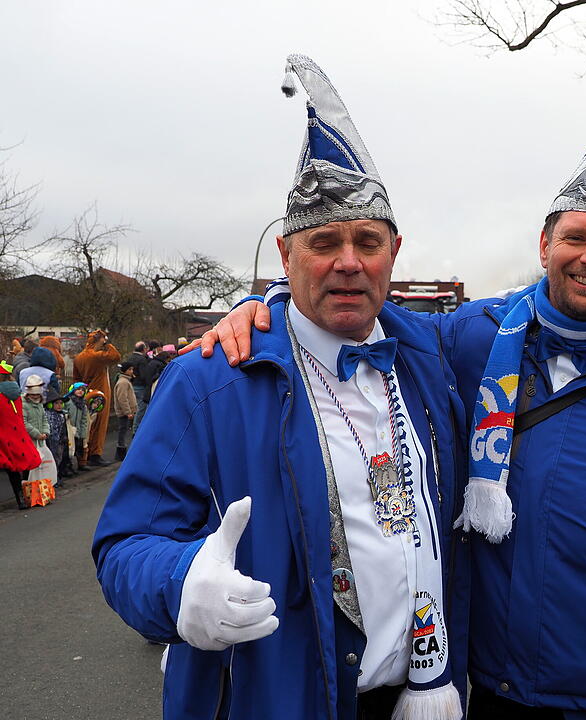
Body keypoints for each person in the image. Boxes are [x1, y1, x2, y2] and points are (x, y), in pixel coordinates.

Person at [204, 61, 586, 720]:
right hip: (497, 690)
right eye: (575, 236)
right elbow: (351, 307)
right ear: (544, 244)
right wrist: (265, 303)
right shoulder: (478, 336)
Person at [93, 54, 466, 720]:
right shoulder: (209, 381)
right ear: (287, 257)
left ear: (395, 251)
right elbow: (124, 545)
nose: (349, 261)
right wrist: (178, 584)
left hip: (420, 697)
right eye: (324, 242)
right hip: (277, 700)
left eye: (367, 241)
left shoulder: (432, 358)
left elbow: (565, 304)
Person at [72, 330, 121, 466]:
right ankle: (95, 453)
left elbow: (76, 379)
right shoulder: (97, 356)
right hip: (100, 394)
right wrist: (108, 344)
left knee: (87, 424)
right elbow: (116, 357)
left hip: (86, 393)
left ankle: (85, 455)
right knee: (99, 424)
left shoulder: (79, 357)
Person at [0, 361, 41, 509]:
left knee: (11, 467)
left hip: (4, 434)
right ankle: (24, 493)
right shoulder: (16, 392)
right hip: (19, 432)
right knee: (24, 462)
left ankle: (20, 498)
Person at [44, 394, 74, 483]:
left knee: (58, 460)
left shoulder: (62, 415)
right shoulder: (49, 415)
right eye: (56, 403)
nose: (59, 405)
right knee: (53, 461)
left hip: (61, 442)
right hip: (52, 442)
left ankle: (57, 477)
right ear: (50, 405)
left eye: (61, 403)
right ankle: (53, 480)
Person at [113, 361, 137, 462]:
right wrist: (128, 412)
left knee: (124, 430)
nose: (132, 371)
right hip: (124, 413)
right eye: (130, 369)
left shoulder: (126, 381)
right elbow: (122, 398)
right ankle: (120, 451)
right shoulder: (123, 382)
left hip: (126, 412)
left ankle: (121, 450)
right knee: (122, 431)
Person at [65, 382, 91, 472]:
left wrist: (83, 433)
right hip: (69, 430)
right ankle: (68, 467)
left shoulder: (83, 405)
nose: (81, 391)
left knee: (79, 448)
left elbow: (84, 420)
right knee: (69, 449)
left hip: (78, 430)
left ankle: (81, 464)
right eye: (78, 389)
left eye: (83, 390)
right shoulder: (68, 402)